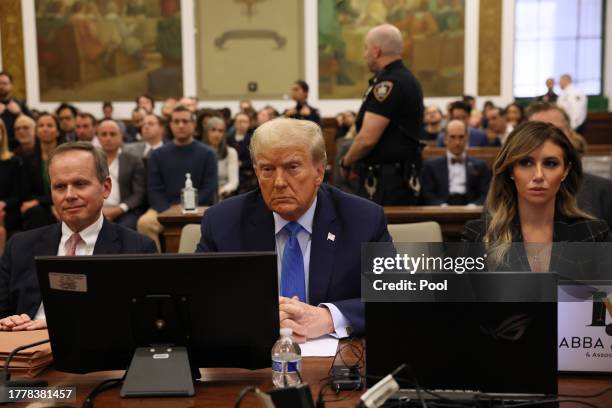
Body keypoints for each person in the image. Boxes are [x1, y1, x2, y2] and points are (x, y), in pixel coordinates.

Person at [196, 118, 391, 340]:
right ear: (256, 172)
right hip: (252, 359)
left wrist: (330, 317)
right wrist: (256, 318)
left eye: (292, 167)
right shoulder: (222, 222)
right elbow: (198, 300)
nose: (279, 182)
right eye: (268, 169)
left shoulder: (363, 219)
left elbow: (395, 297)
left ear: (319, 172)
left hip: (339, 360)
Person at [0, 142, 157, 330]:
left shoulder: (137, 249)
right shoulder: (19, 246)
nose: (69, 195)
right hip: (23, 351)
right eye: (59, 186)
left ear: (106, 187)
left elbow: (141, 324)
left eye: (80, 184)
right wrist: (7, 322)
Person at [462, 122, 610, 272]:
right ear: (511, 170)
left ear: (566, 170)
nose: (538, 176)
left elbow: (604, 295)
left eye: (550, 164)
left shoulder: (594, 234)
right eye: (526, 163)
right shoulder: (477, 235)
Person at [341, 24, 424, 205]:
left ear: (376, 51)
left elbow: (367, 139)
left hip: (387, 184)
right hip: (397, 178)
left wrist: (346, 162)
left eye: (366, 48)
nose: (364, 55)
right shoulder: (406, 79)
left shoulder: (389, 83)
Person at [137, 105, 217, 250]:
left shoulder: (208, 154)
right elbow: (154, 188)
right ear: (171, 126)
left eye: (185, 121)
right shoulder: (157, 155)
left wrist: (188, 207)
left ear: (193, 124)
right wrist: (169, 211)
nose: (181, 125)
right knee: (144, 223)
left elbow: (209, 187)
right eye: (176, 121)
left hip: (199, 208)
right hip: (163, 209)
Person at [525, 101, 612, 229]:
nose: (548, 138)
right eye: (538, 132)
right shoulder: (507, 188)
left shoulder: (603, 190)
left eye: (557, 130)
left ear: (570, 134)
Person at [420, 120, 490, 206]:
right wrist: (441, 206)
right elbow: (427, 193)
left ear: (467, 138)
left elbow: (486, 193)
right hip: (440, 211)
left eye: (461, 137)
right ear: (445, 139)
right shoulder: (431, 166)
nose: (457, 142)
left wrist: (474, 205)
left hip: (472, 211)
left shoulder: (480, 166)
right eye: (452, 137)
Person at [98, 120, 146, 230]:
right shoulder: (91, 160)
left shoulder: (133, 161)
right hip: (96, 211)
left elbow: (139, 194)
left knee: (122, 230)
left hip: (125, 211)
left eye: (113, 134)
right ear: (98, 138)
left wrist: (119, 209)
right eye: (104, 134)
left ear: (121, 137)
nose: (108, 138)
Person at [21, 113, 61, 230]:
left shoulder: (67, 157)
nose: (45, 129)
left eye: (50, 125)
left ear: (58, 131)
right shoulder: (27, 159)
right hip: (39, 208)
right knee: (35, 212)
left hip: (63, 201)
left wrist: (43, 202)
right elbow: (26, 192)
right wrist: (47, 205)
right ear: (36, 132)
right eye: (41, 126)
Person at [202, 117, 238, 199]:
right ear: (207, 132)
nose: (217, 134)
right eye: (213, 130)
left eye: (220, 131)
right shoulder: (199, 152)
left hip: (223, 195)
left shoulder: (231, 152)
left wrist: (223, 190)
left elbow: (234, 181)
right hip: (203, 196)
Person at [0, 120, 23, 236]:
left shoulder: (13, 161)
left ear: (2, 135)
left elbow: (17, 196)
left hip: (7, 210)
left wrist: (3, 204)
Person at [0, 71, 32, 150]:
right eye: (0, 83)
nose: (1, 86)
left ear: (11, 85)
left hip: (19, 146)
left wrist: (19, 113)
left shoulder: (20, 104)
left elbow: (32, 124)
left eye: (5, 83)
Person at [227, 112, 257, 194]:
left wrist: (242, 163)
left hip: (246, 175)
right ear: (235, 123)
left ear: (249, 124)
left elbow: (256, 159)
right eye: (239, 122)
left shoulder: (253, 139)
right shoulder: (228, 139)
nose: (242, 124)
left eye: (245, 122)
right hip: (229, 173)